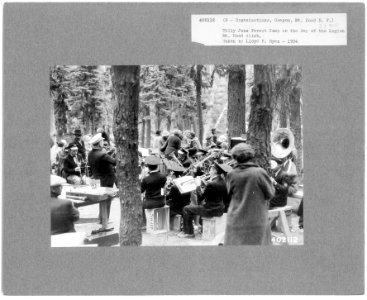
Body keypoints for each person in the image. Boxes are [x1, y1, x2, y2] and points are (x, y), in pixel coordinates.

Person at [224, 143, 275, 245]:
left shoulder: (231, 174)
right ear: (251, 155)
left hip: (236, 220)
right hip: (256, 220)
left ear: (235, 157)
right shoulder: (259, 172)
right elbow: (270, 193)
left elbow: (229, 192)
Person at [179, 163, 227, 238]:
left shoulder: (211, 184)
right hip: (220, 208)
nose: (209, 171)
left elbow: (200, 198)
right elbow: (212, 193)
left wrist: (198, 186)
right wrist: (205, 186)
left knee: (186, 208)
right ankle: (199, 227)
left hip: (210, 209)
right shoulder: (223, 181)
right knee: (197, 207)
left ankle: (189, 233)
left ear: (214, 171)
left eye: (210, 170)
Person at [88, 133, 117, 222]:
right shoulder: (102, 154)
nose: (103, 142)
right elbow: (115, 162)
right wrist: (116, 152)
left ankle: (101, 217)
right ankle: (105, 220)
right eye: (102, 141)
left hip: (98, 179)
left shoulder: (90, 153)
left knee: (102, 200)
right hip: (106, 180)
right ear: (99, 143)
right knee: (107, 200)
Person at [141, 156, 167, 226]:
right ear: (157, 166)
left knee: (140, 205)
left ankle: (144, 223)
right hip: (161, 201)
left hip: (149, 203)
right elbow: (163, 189)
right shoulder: (163, 177)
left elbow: (141, 190)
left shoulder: (146, 179)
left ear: (148, 167)